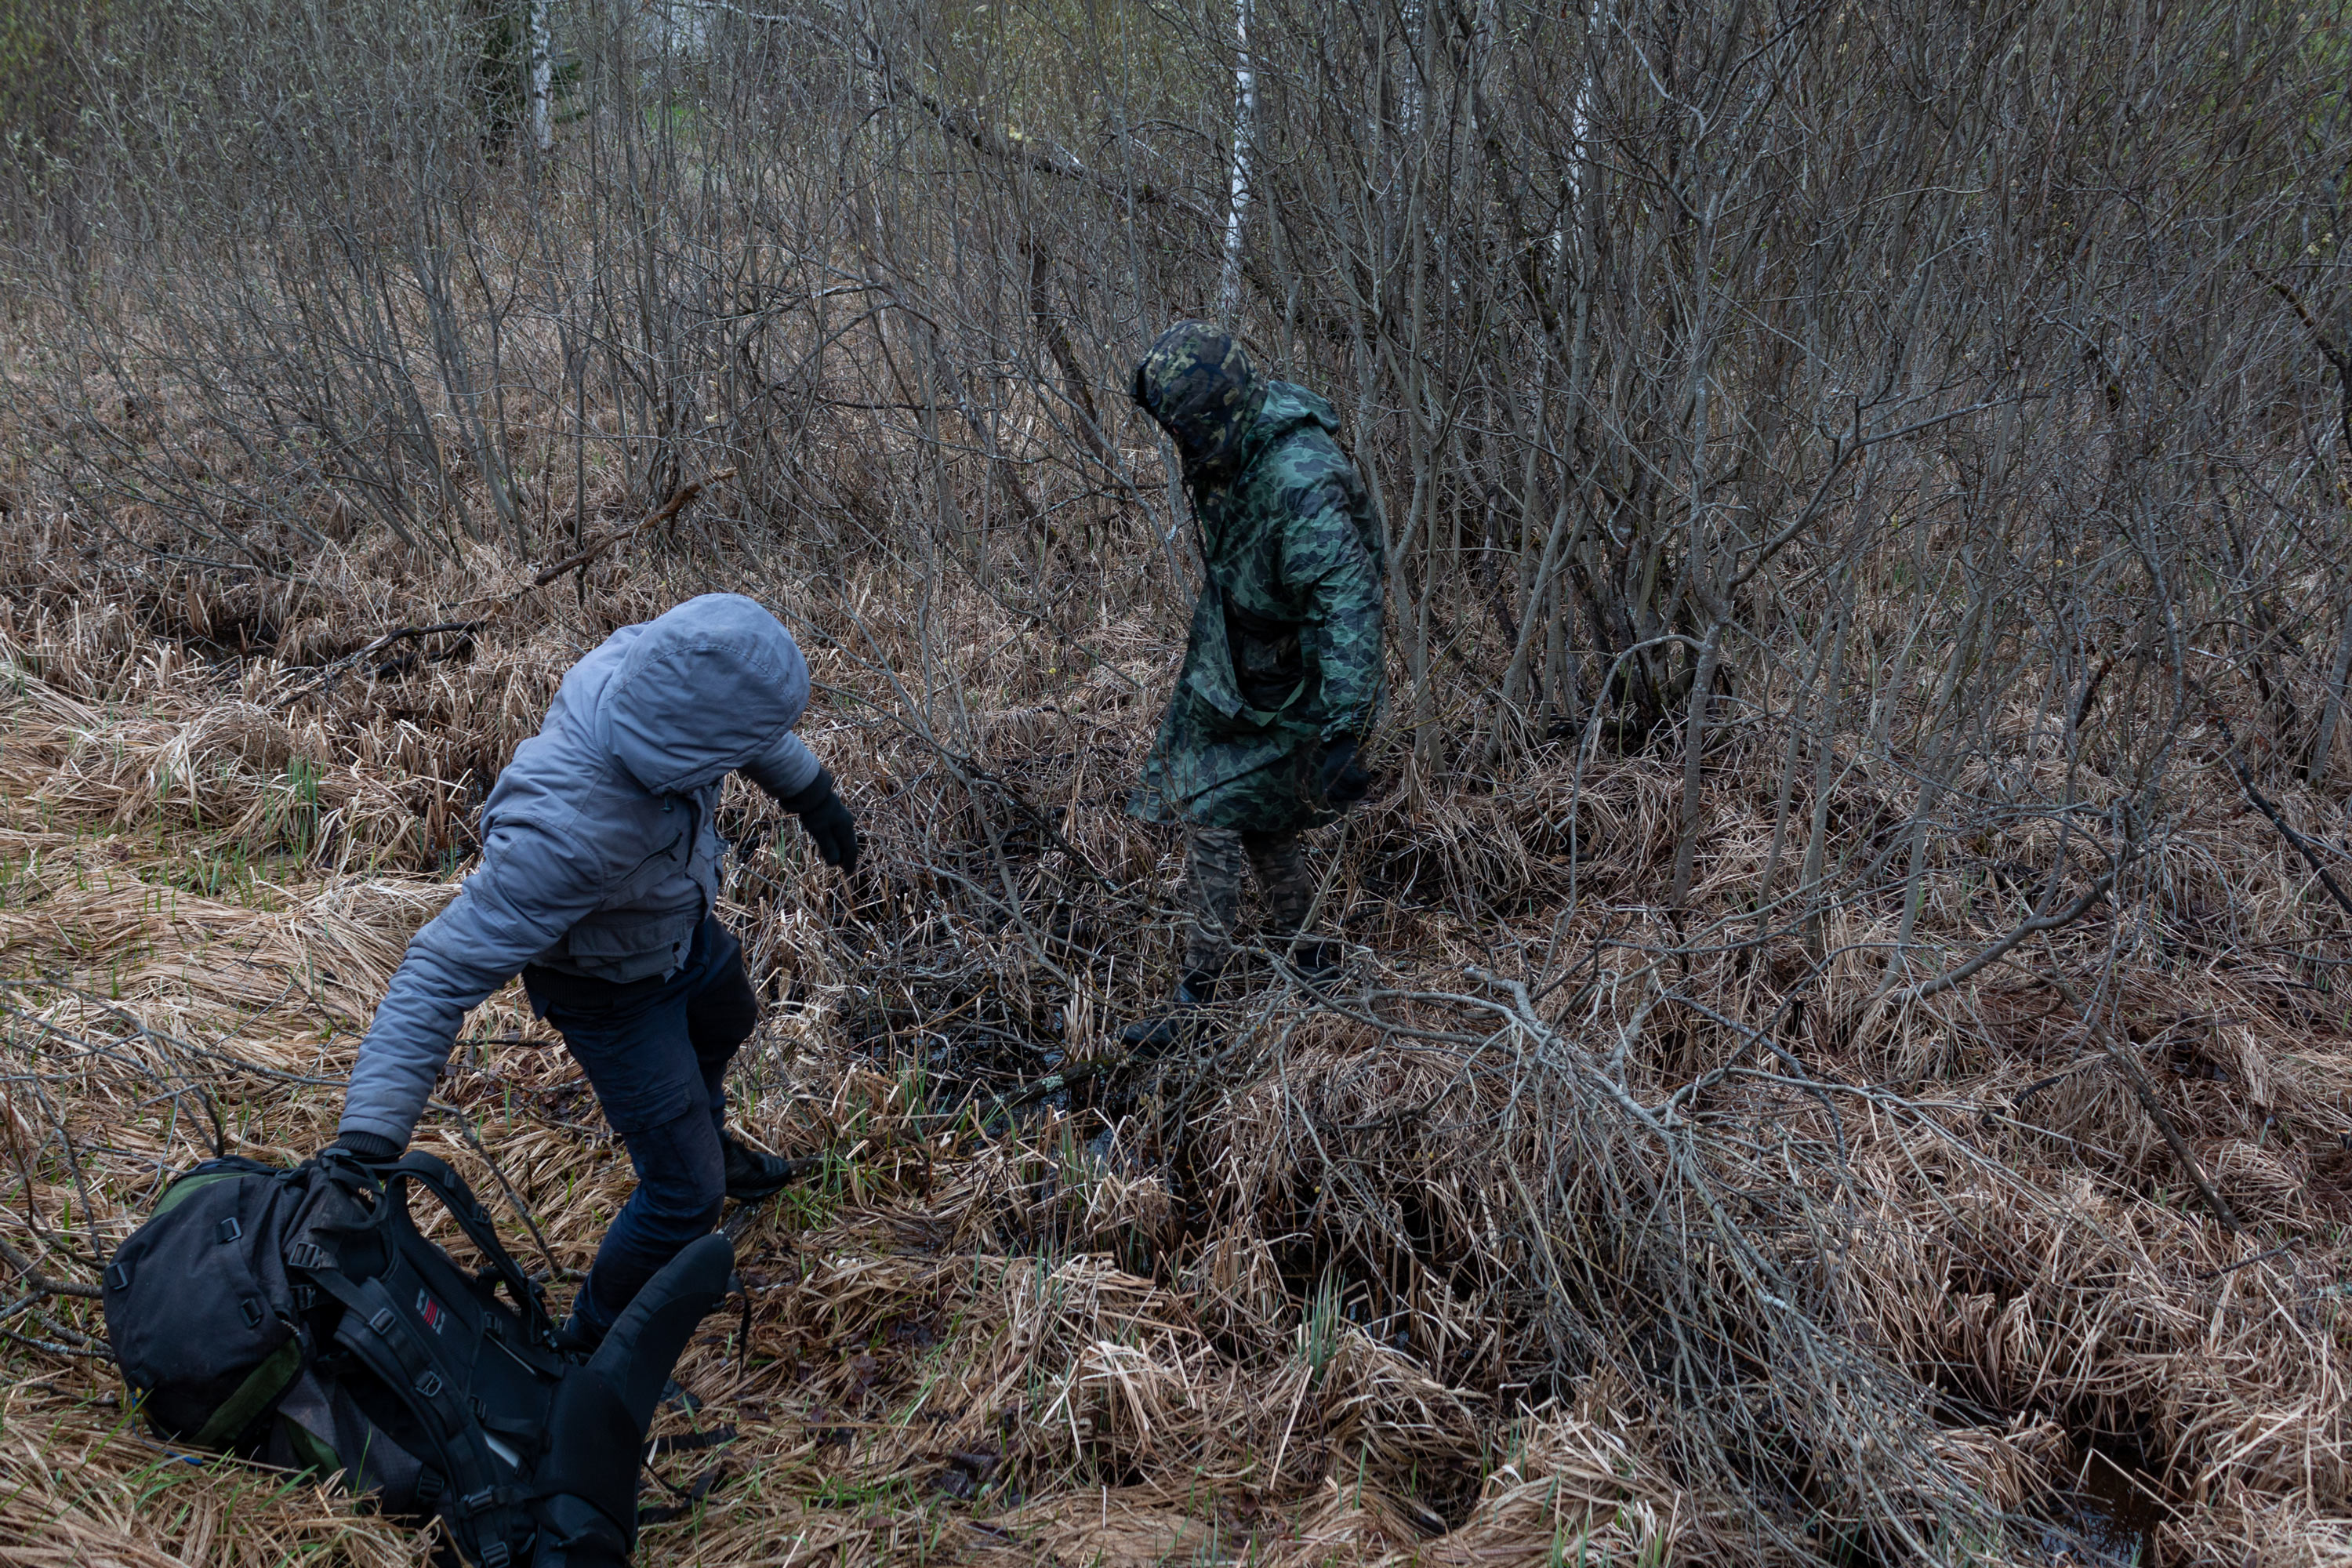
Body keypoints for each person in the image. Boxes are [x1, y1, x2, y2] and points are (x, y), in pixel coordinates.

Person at [329, 593, 858, 1351]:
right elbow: (437, 973)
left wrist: (811, 794)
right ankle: (592, 1350)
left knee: (727, 1011)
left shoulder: (651, 670)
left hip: (674, 928)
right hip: (609, 990)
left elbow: (739, 724)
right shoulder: (564, 833)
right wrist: (366, 1145)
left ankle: (701, 1136)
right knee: (684, 1198)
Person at [1122, 321, 1384, 1047]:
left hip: (1306, 681)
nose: (1177, 444)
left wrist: (1344, 729)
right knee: (1264, 821)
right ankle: (1312, 963)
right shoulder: (1233, 444)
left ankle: (1197, 999)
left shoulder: (1298, 481)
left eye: (1184, 427)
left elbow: (1349, 602)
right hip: (1244, 658)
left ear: (1220, 414)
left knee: (1211, 806)